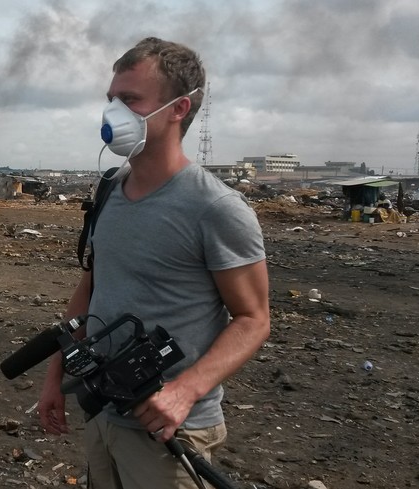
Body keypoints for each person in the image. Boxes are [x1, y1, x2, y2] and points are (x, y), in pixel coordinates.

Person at [36, 37, 271, 489]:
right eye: (111, 100)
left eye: (129, 100)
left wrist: (184, 392)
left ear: (178, 108)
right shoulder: (109, 190)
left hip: (168, 430)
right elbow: (92, 288)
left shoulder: (216, 208)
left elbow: (254, 319)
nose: (113, 113)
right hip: (103, 414)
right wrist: (56, 376)